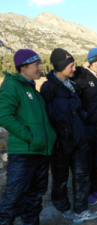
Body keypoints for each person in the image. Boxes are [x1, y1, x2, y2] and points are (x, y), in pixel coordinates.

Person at [40, 48, 97, 223]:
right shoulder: (48, 87)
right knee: (60, 178)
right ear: (60, 66)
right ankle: (62, 207)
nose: (74, 69)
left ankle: (80, 210)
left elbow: (78, 110)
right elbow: (49, 117)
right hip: (61, 143)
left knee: (82, 175)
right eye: (71, 66)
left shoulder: (72, 84)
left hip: (79, 140)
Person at [0, 49, 57, 224]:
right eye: (36, 64)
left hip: (40, 152)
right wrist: (31, 137)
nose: (41, 68)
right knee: (14, 198)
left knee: (35, 196)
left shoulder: (32, 89)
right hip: (24, 153)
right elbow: (3, 115)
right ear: (23, 67)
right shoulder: (12, 85)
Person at [72, 48, 97, 205]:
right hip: (88, 128)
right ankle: (86, 194)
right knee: (87, 161)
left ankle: (95, 188)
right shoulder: (81, 78)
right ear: (94, 61)